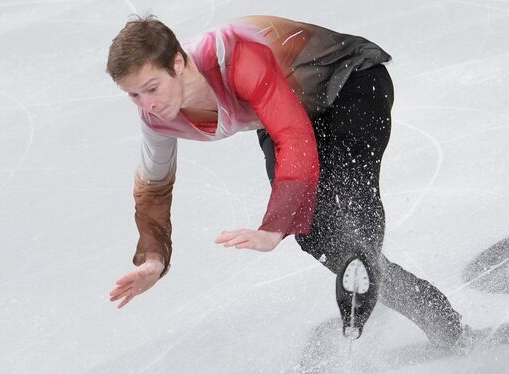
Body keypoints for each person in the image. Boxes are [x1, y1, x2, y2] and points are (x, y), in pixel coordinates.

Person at [106, 14, 465, 347]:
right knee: (314, 233)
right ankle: (434, 316)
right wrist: (153, 257)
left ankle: (375, 270)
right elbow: (154, 189)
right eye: (133, 95)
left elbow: (293, 135)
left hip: (350, 82)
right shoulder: (156, 119)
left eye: (151, 88)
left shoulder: (234, 56)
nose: (146, 104)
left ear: (178, 64)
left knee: (349, 190)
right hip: (280, 114)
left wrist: (275, 225)